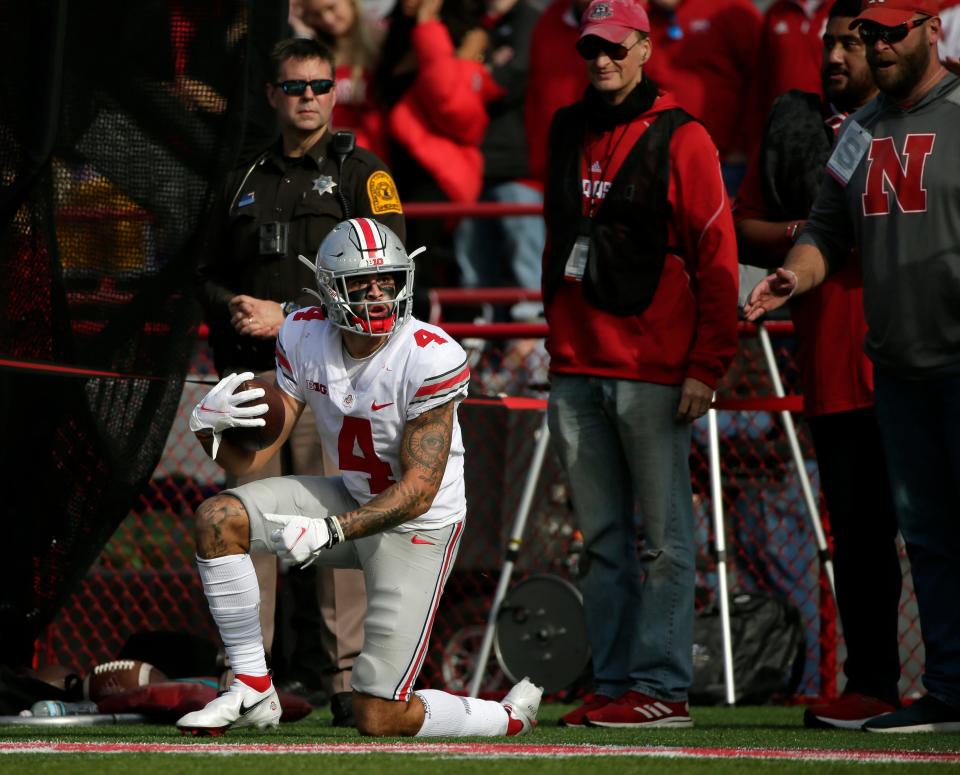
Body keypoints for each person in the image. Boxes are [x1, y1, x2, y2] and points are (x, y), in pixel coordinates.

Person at [179, 217, 543, 736]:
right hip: (348, 495)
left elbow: (419, 491)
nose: (377, 294)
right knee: (219, 518)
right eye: (361, 284)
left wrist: (332, 530)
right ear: (330, 289)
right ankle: (252, 689)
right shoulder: (305, 333)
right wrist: (211, 428)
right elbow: (247, 465)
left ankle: (505, 718)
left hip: (417, 528)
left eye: (387, 281)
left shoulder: (428, 354)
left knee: (377, 714)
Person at [744, 0, 960, 733]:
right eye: (870, 32)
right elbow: (824, 230)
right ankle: (948, 689)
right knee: (925, 537)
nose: (877, 45)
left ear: (934, 28)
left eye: (891, 30)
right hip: (897, 366)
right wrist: (791, 278)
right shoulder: (860, 131)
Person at [196, 36, 405, 725]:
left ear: (335, 89)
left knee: (335, 525)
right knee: (247, 520)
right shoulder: (240, 173)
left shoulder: (362, 172)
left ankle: (347, 678)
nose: (308, 97)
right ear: (272, 94)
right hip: (252, 382)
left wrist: (285, 313)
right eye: (294, 86)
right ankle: (246, 674)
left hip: (332, 379)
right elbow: (203, 268)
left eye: (319, 85)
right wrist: (230, 303)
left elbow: (387, 286)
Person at [542, 0, 739, 728]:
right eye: (591, 48)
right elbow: (558, 233)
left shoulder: (684, 138)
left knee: (665, 540)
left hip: (655, 367)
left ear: (645, 48)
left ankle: (661, 686)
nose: (602, 61)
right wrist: (556, 341)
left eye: (615, 48)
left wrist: (707, 365)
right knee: (601, 542)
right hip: (577, 364)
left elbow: (718, 260)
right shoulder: (568, 126)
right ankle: (617, 679)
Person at [643, 0, 763, 193]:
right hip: (656, 163)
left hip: (725, 163)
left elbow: (762, 79)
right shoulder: (635, 14)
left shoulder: (730, 8)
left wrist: (742, 145)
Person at [300, 0, 390, 160]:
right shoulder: (313, 54)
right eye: (316, 14)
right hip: (331, 157)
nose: (327, 19)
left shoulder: (380, 41)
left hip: (376, 157)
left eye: (331, 8)